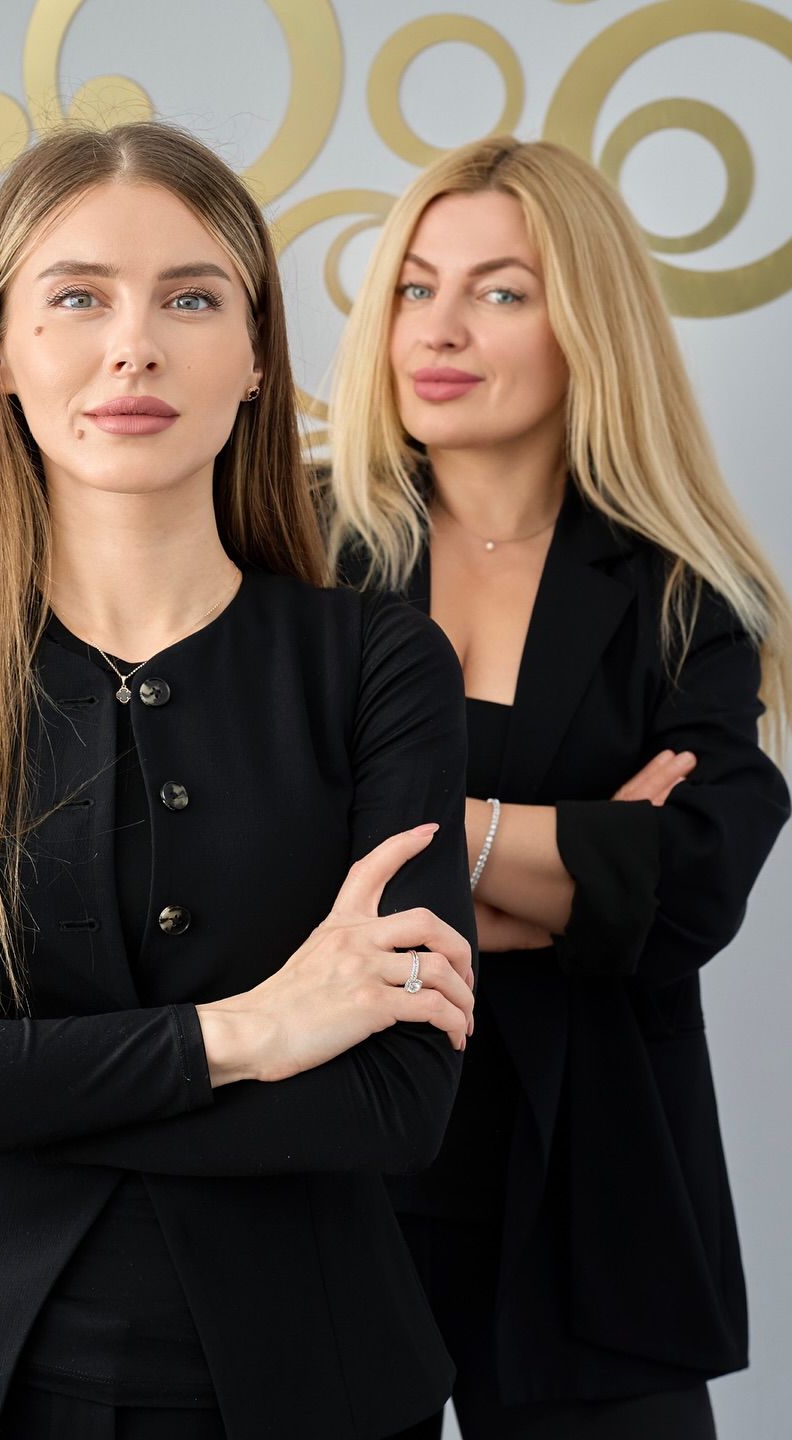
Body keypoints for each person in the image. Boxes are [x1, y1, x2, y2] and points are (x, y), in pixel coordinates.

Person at [0, 120, 476, 1440]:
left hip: (314, 1385)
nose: (132, 345)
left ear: (256, 357)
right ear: (4, 352)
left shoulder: (379, 662)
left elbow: (393, 1098)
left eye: (190, 298)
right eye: (77, 296)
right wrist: (249, 1033)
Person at [327, 136, 791, 1439]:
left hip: (597, 1183)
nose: (442, 328)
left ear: (587, 321)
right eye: (415, 287)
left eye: (501, 291)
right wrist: (577, 862)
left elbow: (690, 887)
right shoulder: (300, 550)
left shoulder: (688, 591)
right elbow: (248, 861)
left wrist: (411, 847)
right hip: (334, 1161)